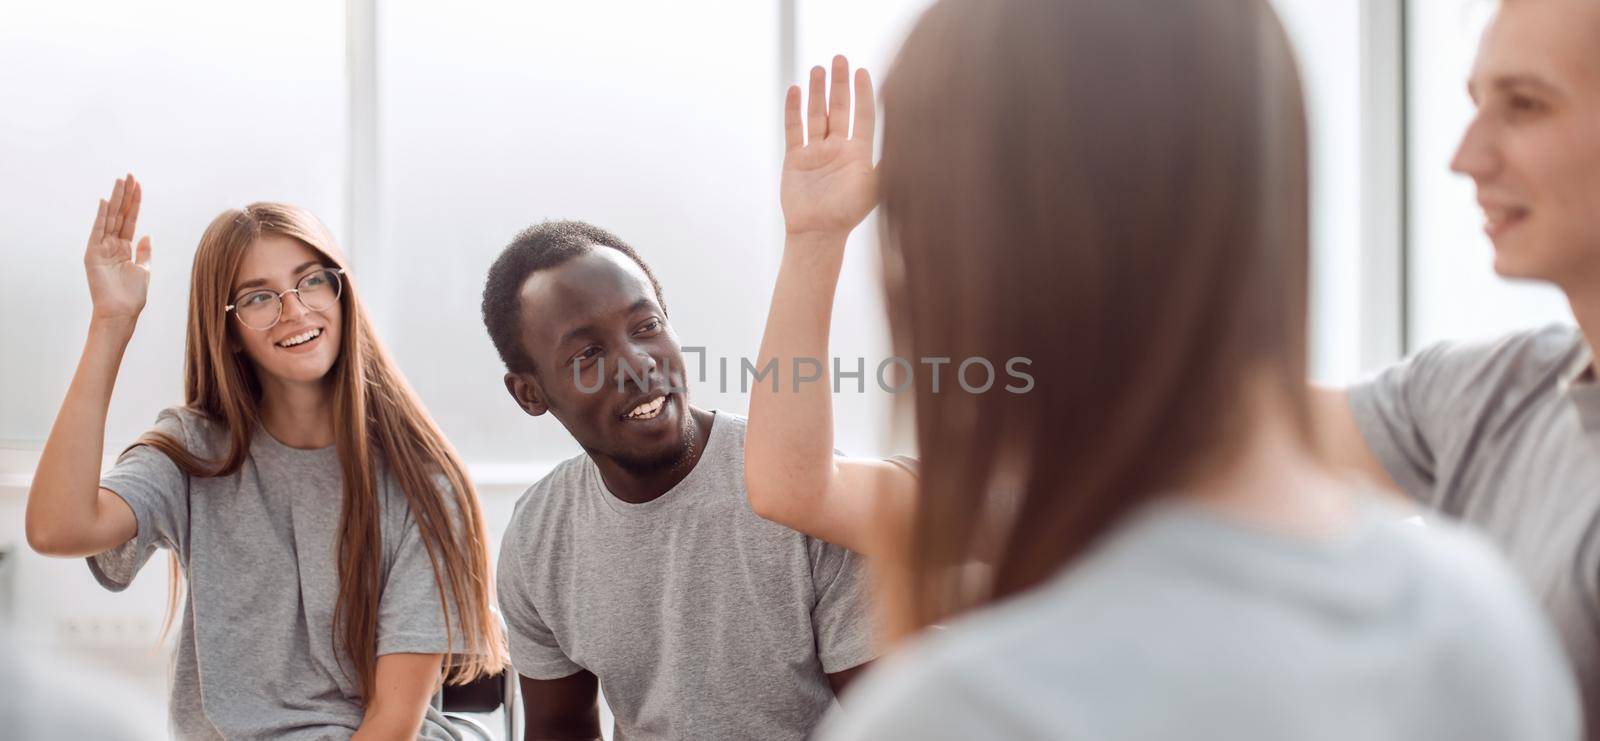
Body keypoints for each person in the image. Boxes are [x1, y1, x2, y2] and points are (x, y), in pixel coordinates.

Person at [741, 2, 1582, 738]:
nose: (1467, 156)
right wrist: (815, 239)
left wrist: (817, 245)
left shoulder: (966, 713)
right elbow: (790, 484)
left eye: (1527, 104)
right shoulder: (1485, 626)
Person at [25, 175, 506, 739]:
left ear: (340, 293)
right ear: (228, 330)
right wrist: (111, 324)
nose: (294, 311)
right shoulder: (195, 453)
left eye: (311, 283)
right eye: (258, 297)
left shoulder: (421, 482)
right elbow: (58, 528)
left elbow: (391, 724)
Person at [1313, 0, 1600, 731]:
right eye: (1478, 104)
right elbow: (1224, 425)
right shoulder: (1498, 394)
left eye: (1526, 106)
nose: (1466, 156)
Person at [481, 220, 876, 740]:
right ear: (530, 394)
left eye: (646, 327)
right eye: (588, 355)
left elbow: (890, 719)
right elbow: (560, 730)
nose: (639, 364)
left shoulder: (814, 497)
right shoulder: (539, 534)